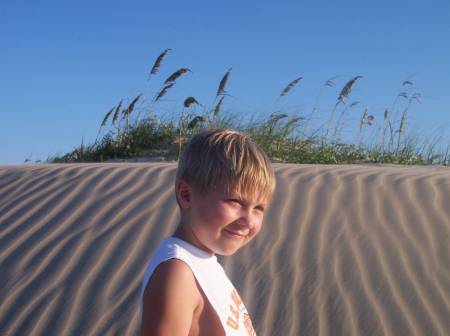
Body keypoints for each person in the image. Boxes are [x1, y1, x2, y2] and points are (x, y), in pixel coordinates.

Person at [141, 128, 276, 336]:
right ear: (186, 195)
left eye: (259, 208)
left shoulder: (203, 263)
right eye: (235, 201)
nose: (249, 221)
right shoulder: (177, 272)